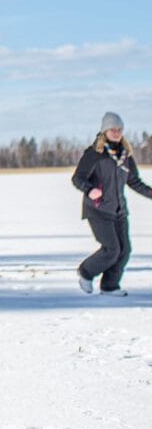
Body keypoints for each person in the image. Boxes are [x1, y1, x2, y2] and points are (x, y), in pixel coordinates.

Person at [71, 112, 152, 296]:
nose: (116, 132)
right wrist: (90, 190)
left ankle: (110, 286)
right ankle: (86, 271)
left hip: (119, 210)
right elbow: (78, 178)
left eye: (119, 129)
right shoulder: (94, 154)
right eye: (112, 129)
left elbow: (134, 182)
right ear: (104, 131)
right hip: (98, 209)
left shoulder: (125, 156)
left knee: (124, 250)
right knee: (111, 249)